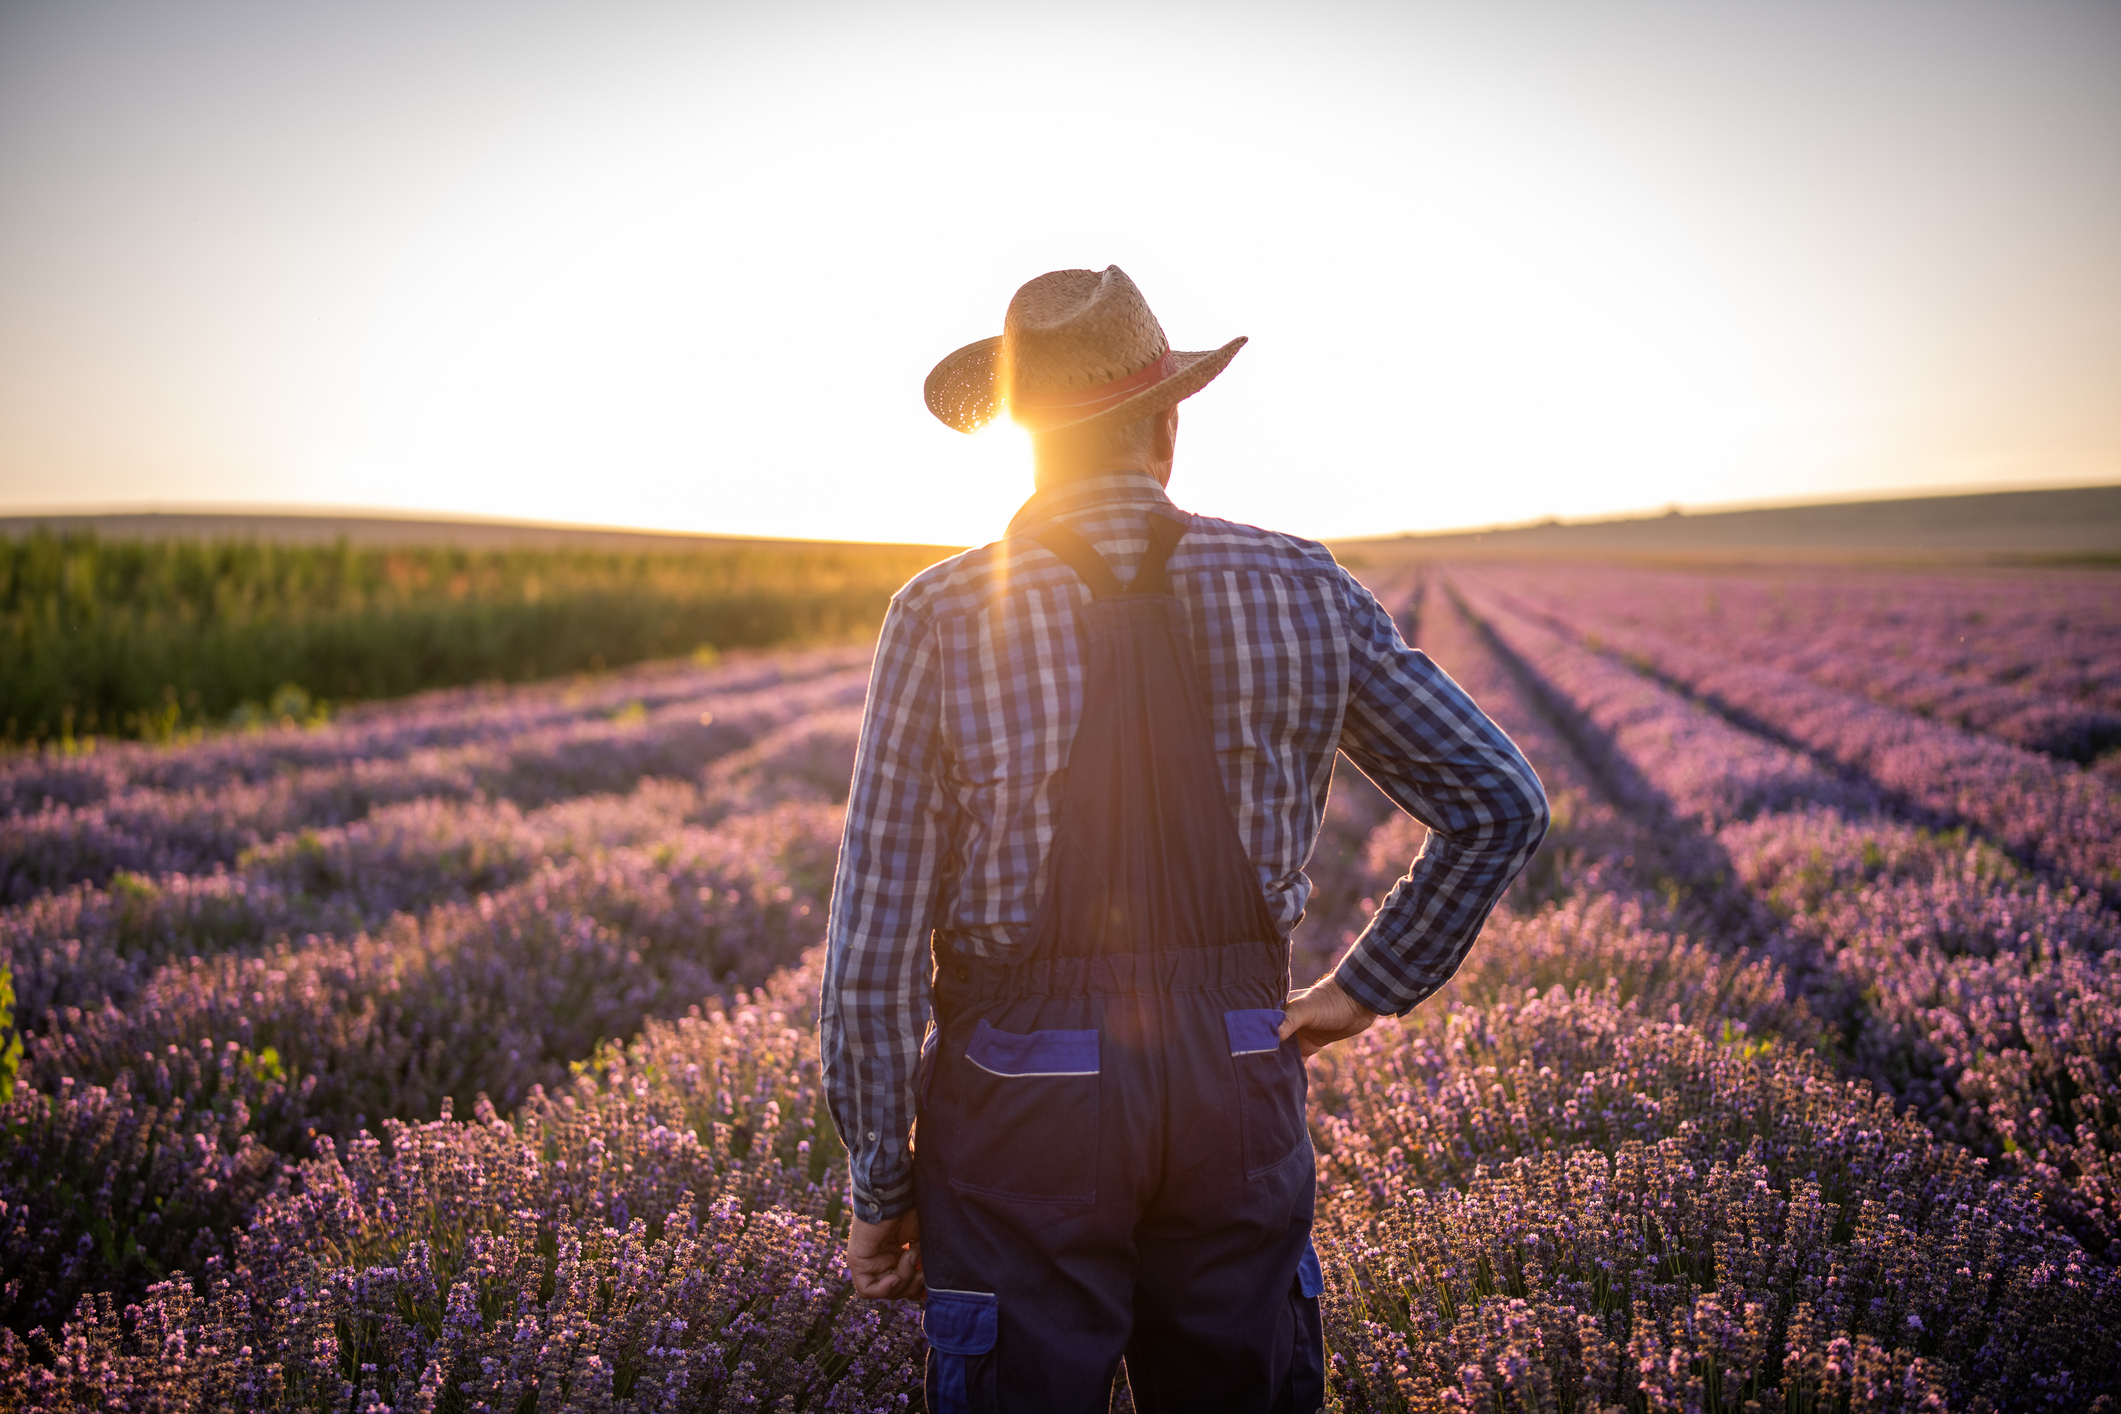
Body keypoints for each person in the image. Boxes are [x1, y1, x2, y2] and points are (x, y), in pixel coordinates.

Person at [819, 266, 1548, 1414]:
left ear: (1027, 443)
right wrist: (1361, 989)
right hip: (1238, 1071)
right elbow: (1501, 799)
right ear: (1167, 424)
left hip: (1018, 1097)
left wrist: (880, 1182)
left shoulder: (944, 613)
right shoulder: (1301, 583)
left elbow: (873, 952)